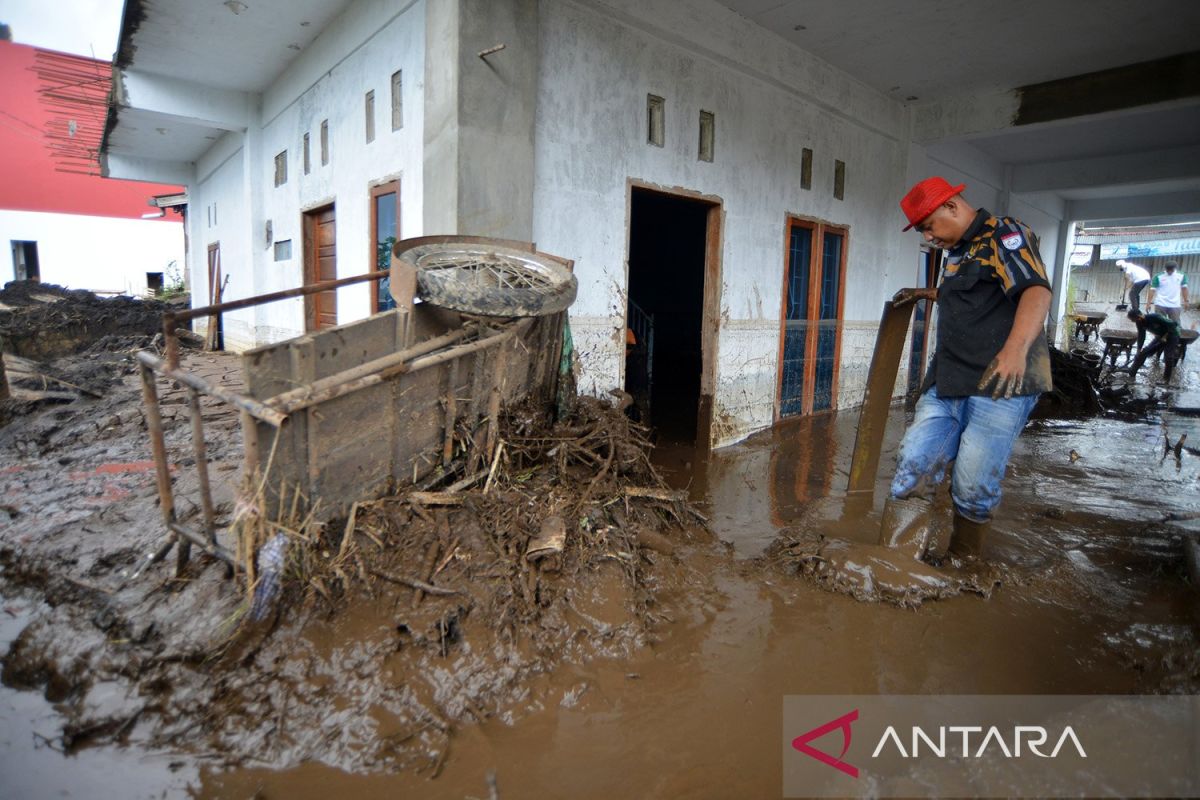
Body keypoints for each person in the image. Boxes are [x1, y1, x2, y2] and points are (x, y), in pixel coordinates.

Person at [880, 177, 1053, 563]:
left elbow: (1035, 290)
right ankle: (898, 564)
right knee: (914, 462)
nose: (927, 235)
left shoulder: (1005, 234)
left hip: (999, 382)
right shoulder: (957, 250)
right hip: (949, 379)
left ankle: (964, 565)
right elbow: (976, 293)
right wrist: (928, 293)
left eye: (928, 225)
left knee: (973, 480)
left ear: (953, 207)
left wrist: (1014, 350)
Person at [1121, 309, 1181, 383]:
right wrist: (1139, 349)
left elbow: (1173, 324)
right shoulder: (1139, 322)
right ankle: (1132, 373)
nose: (1132, 321)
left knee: (1168, 357)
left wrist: (1165, 336)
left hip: (1172, 335)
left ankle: (1166, 379)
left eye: (1132, 319)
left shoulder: (1155, 317)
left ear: (1138, 316)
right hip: (1160, 336)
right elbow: (1141, 335)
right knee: (1143, 352)